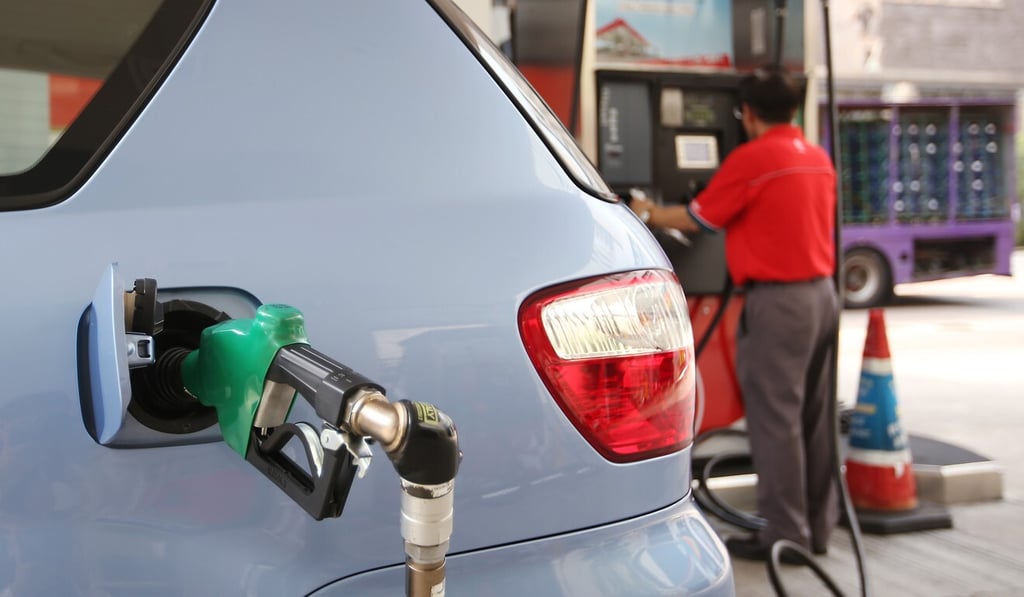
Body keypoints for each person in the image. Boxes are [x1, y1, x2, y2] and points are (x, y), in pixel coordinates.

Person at [630, 66, 839, 562]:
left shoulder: (753, 158)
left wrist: (646, 210)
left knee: (776, 420)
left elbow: (698, 218)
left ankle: (785, 537)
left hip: (779, 304)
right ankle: (817, 529)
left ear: (746, 113)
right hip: (823, 296)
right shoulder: (816, 156)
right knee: (815, 417)